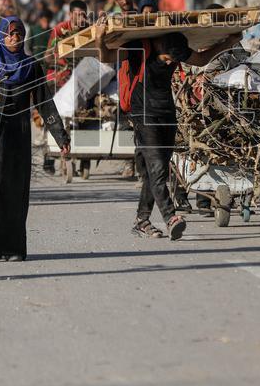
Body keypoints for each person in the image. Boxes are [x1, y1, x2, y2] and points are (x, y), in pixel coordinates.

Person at [103, 27, 242, 240]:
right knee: (157, 168)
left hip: (167, 114)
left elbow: (202, 58)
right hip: (143, 116)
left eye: (173, 61)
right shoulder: (138, 48)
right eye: (167, 59)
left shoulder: (176, 46)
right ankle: (171, 217)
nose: (169, 64)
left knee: (155, 171)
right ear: (159, 46)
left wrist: (230, 41)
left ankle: (142, 221)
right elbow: (106, 56)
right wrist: (98, 38)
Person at [0, 16, 71, 261]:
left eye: (19, 34)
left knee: (16, 191)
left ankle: (14, 248)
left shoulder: (31, 66)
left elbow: (45, 103)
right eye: (10, 34)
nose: (14, 38)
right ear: (2, 35)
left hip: (20, 134)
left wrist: (60, 136)